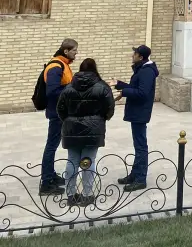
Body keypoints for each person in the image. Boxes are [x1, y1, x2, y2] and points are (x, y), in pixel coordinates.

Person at [57, 58, 115, 205]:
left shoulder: (69, 87)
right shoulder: (103, 87)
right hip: (93, 129)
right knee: (87, 161)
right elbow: (109, 108)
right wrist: (100, 119)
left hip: (72, 129)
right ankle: (87, 194)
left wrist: (68, 120)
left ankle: (71, 195)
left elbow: (60, 109)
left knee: (72, 160)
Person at [110, 45, 159, 192]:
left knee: (141, 146)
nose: (132, 56)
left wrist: (124, 91)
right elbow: (135, 87)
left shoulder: (147, 71)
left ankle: (140, 179)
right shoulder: (142, 69)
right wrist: (119, 84)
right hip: (137, 111)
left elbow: (142, 93)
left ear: (141, 57)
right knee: (138, 145)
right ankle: (135, 174)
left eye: (135, 54)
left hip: (140, 113)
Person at [39, 38, 78, 194]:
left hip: (61, 112)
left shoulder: (63, 64)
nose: (76, 53)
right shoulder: (56, 66)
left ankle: (50, 175)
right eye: (74, 50)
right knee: (51, 146)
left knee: (53, 145)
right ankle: (46, 183)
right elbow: (52, 92)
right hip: (57, 113)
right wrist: (72, 88)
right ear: (66, 51)